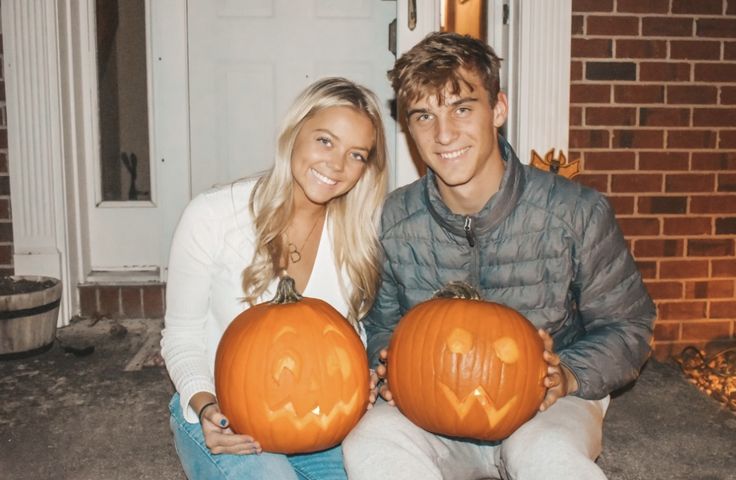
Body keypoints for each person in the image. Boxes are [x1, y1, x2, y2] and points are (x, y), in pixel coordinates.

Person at [343, 32, 656, 480]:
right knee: (370, 443)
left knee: (545, 455)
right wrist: (390, 365)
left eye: (462, 108)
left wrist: (568, 372)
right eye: (424, 116)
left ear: (499, 110)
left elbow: (629, 326)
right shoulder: (397, 218)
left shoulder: (574, 211)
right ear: (408, 128)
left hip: (551, 400)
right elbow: (381, 325)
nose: (444, 133)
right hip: (436, 402)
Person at [161, 77, 388, 480]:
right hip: (221, 413)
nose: (336, 165)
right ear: (294, 133)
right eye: (325, 141)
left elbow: (349, 339)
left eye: (356, 154)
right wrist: (206, 406)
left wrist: (363, 379)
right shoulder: (212, 216)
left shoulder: (356, 238)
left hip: (320, 422)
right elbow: (181, 335)